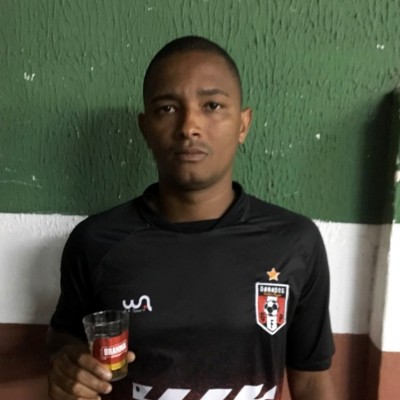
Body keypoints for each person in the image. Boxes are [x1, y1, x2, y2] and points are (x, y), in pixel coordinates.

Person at [47, 35, 336, 400]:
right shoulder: (96, 241)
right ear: (145, 128)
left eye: (212, 105)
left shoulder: (295, 242)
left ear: (243, 124)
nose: (189, 126)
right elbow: (63, 339)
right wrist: (66, 363)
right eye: (167, 108)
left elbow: (311, 380)